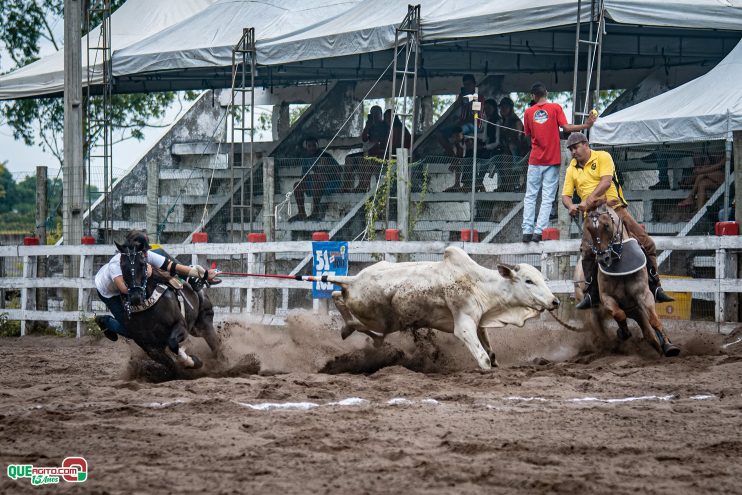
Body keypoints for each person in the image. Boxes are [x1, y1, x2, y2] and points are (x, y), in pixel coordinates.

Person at [561, 133, 674, 309]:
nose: (573, 152)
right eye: (570, 150)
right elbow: (565, 196)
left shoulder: (603, 156)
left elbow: (606, 182)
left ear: (585, 144)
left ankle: (655, 286)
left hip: (615, 209)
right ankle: (591, 294)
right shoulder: (571, 169)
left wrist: (589, 199)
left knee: (648, 243)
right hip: (591, 217)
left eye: (575, 148)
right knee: (586, 251)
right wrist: (570, 206)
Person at [94, 230, 219, 341]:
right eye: (145, 250)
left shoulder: (145, 256)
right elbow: (124, 289)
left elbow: (173, 266)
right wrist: (148, 274)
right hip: (110, 292)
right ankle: (105, 322)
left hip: (132, 284)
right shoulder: (115, 265)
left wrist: (203, 274)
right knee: (131, 330)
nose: (148, 253)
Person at [522, 82, 597, 243]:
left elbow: (527, 134)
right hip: (552, 159)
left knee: (530, 196)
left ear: (533, 96)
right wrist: (586, 125)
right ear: (546, 93)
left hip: (535, 159)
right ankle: (539, 232)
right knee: (547, 197)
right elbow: (566, 128)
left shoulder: (528, 112)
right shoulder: (555, 108)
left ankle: (526, 231)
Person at [289, 136, 341, 222]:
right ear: (307, 147)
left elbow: (339, 170)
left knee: (318, 180)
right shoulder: (306, 159)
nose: (312, 148)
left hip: (331, 183)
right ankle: (301, 213)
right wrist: (313, 176)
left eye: (314, 145)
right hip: (314, 183)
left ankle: (315, 212)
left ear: (317, 145)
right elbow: (304, 176)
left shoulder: (325, 156)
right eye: (309, 146)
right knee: (297, 185)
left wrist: (326, 171)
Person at [436, 74, 487, 155]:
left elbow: (474, 117)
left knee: (457, 133)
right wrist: (460, 100)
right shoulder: (464, 97)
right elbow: (455, 108)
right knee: (439, 134)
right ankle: (453, 156)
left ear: (474, 84)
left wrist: (460, 122)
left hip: (475, 125)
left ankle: (459, 156)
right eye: (465, 85)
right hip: (463, 124)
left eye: (469, 84)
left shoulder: (478, 97)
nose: (467, 87)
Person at [342, 105, 388, 192]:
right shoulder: (370, 125)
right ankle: (346, 185)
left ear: (380, 114)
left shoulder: (384, 126)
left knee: (364, 161)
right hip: (368, 151)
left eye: (376, 113)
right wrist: (367, 127)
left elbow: (383, 142)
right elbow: (364, 139)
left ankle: (363, 185)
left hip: (379, 153)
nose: (374, 115)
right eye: (372, 113)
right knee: (349, 158)